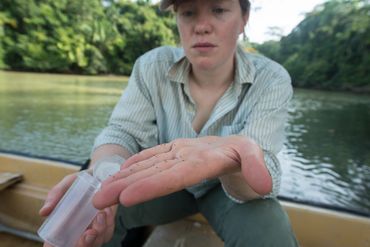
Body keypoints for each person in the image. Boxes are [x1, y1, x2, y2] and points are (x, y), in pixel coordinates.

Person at [39, 0, 299, 246]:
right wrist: (104, 171)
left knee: (269, 226)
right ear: (177, 20)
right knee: (95, 206)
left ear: (244, 18)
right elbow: (123, 132)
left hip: (227, 188)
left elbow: (262, 173)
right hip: (161, 179)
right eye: (188, 12)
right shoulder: (151, 66)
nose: (201, 26)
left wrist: (232, 161)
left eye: (218, 9)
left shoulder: (271, 79)